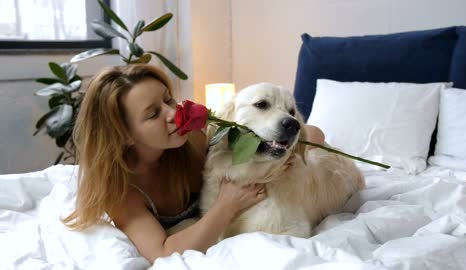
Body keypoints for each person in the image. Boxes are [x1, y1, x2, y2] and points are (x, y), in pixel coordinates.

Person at [62, 64, 325, 264]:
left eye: (167, 99)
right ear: (124, 134)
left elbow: (314, 134)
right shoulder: (123, 193)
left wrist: (290, 151)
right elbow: (163, 253)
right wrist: (226, 206)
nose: (172, 114)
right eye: (153, 113)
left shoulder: (197, 139)